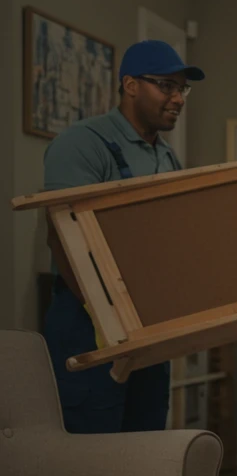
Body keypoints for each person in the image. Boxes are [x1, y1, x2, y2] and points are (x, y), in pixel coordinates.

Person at [41, 40, 204, 433]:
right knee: (94, 453)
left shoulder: (167, 158)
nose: (178, 98)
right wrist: (102, 312)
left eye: (182, 89)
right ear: (130, 85)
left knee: (146, 446)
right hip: (88, 323)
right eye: (167, 86)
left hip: (148, 327)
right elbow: (62, 237)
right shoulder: (82, 144)